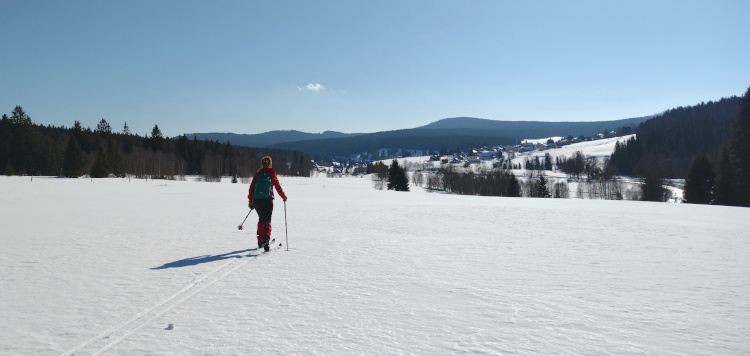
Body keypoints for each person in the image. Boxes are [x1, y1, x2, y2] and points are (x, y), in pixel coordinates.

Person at [248, 156, 287, 251]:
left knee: (261, 219)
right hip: (267, 200)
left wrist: (251, 201)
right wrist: (283, 197)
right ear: (270, 164)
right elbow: (278, 187)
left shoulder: (257, 174)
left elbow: (251, 188)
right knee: (267, 220)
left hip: (257, 201)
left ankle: (260, 240)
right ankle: (266, 238)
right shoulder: (272, 174)